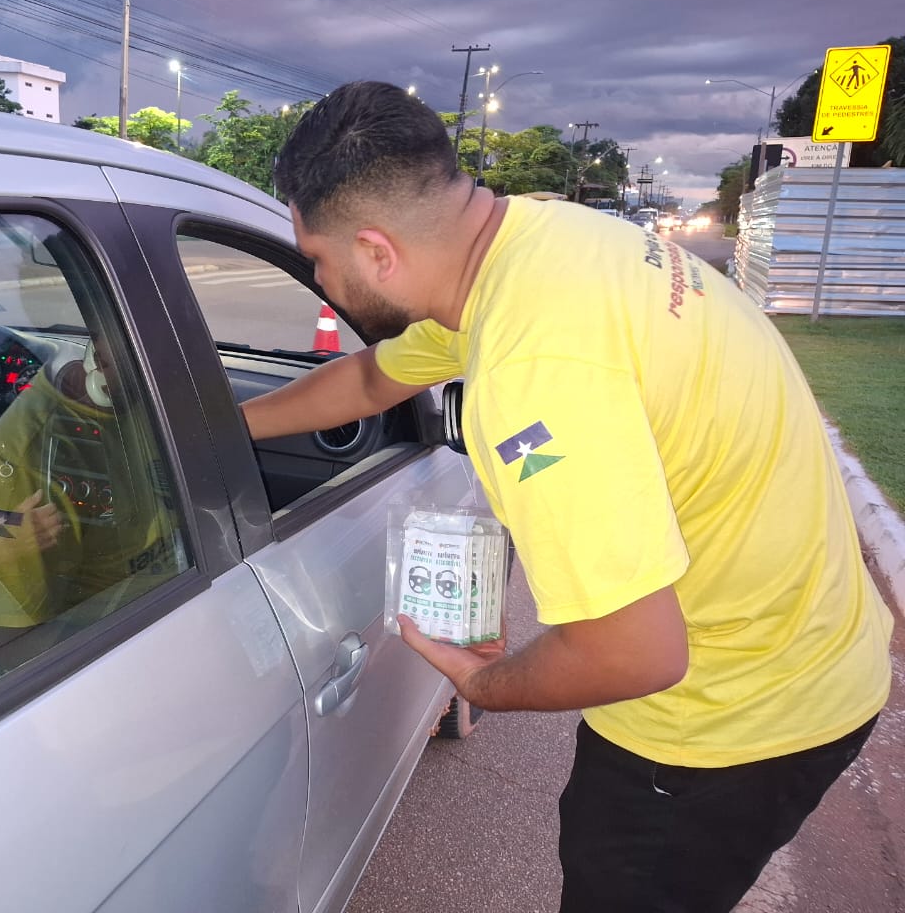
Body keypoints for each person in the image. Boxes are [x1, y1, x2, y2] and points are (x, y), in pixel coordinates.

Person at [243, 81, 893, 913]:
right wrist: (228, 423)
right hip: (809, 659)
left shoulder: (535, 371)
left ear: (376, 252)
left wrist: (486, 685)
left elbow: (635, 653)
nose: (320, 279)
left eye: (318, 259)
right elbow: (373, 374)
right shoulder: (538, 243)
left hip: (721, 732)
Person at [0, 334, 183, 651]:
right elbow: (12, 649)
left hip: (186, 586)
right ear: (99, 349)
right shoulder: (18, 469)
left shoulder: (149, 397)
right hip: (132, 635)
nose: (177, 366)